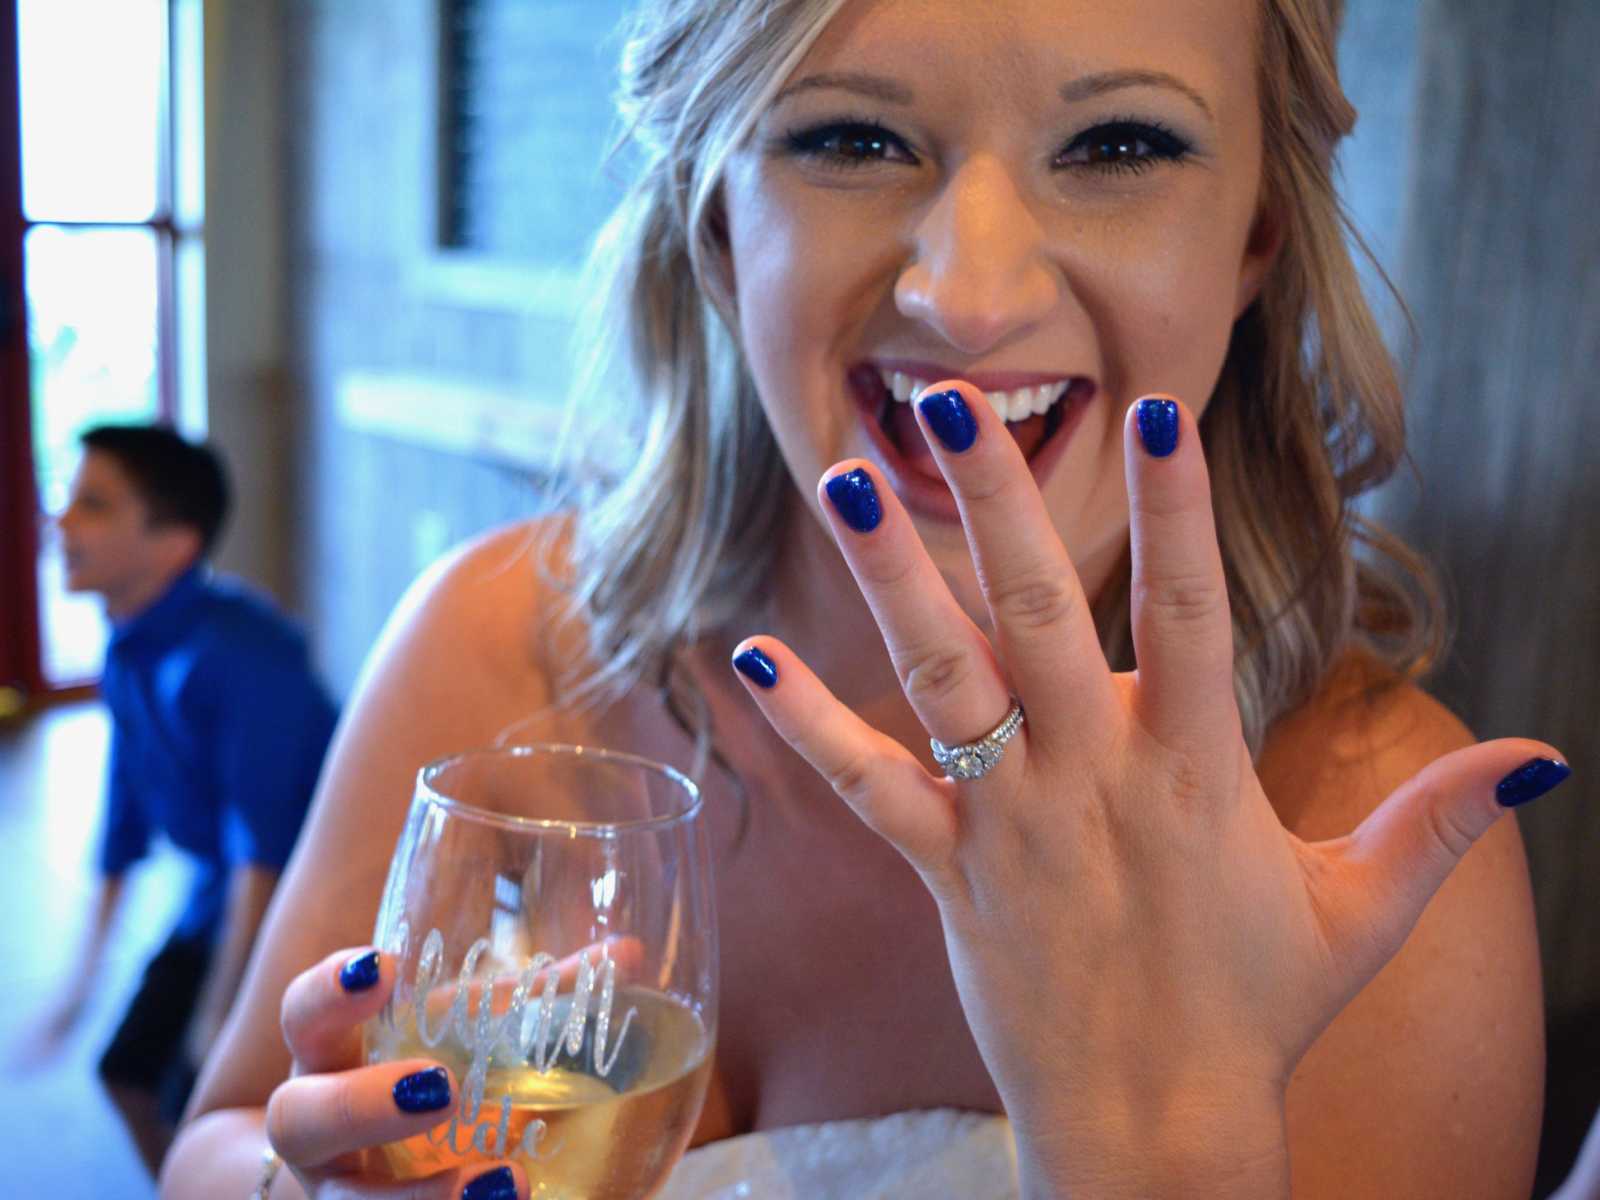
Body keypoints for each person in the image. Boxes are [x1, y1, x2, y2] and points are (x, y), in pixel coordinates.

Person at [163, 1, 1571, 1197]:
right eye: (852, 138)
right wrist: (301, 1170)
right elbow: (218, 1139)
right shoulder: (502, 634)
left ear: (1256, 237)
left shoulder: (1376, 852)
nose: (966, 297)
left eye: (1119, 145)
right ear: (718, 224)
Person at [38, 424, 338, 1177]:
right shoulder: (130, 644)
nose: (63, 523)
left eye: (94, 506)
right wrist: (78, 987)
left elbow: (264, 854)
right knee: (128, 1074)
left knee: (231, 1102)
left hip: (314, 898)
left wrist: (221, 1014)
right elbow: (124, 821)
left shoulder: (241, 659)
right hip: (225, 894)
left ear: (174, 543)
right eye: (70, 500)